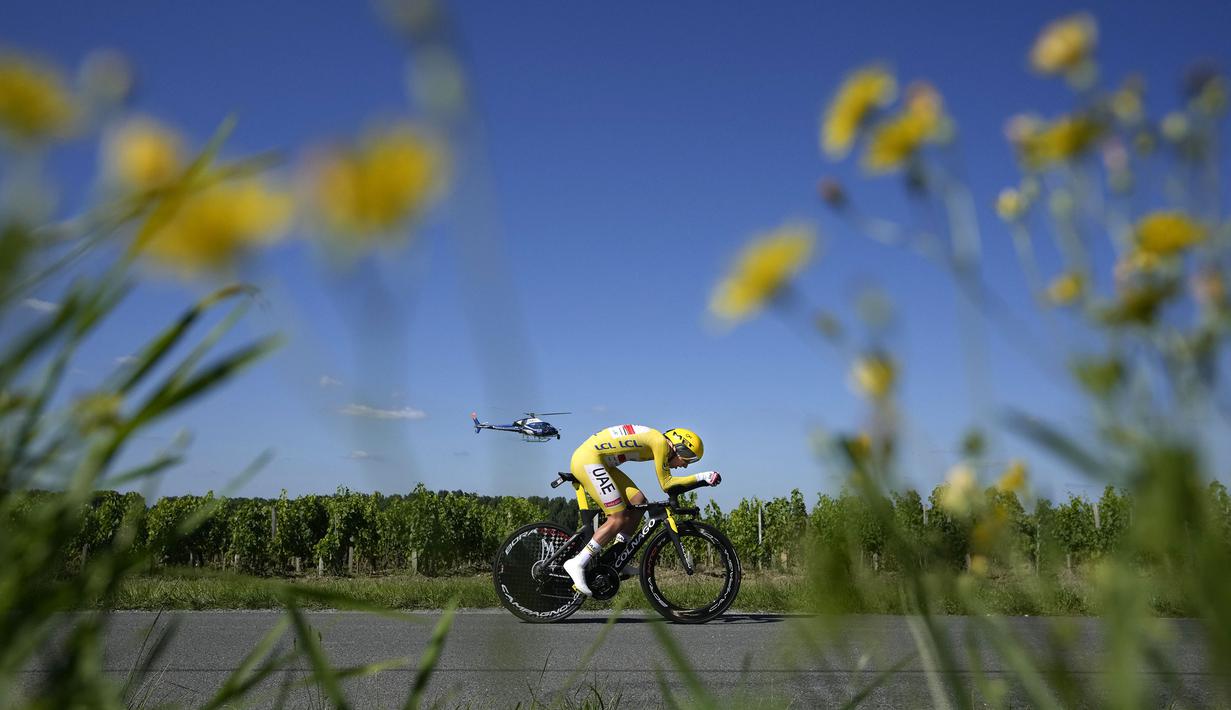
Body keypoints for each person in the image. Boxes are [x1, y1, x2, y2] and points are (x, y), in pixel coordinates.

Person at [562, 424, 721, 595]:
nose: (685, 466)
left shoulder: (657, 440)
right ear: (679, 447)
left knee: (638, 502)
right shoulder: (660, 442)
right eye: (688, 460)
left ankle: (617, 557)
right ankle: (577, 562)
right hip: (588, 460)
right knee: (617, 517)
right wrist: (703, 477)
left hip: (599, 461)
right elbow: (666, 484)